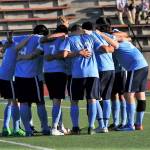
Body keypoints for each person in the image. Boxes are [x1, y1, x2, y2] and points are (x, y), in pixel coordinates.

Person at [101, 30, 148, 131]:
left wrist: (101, 34)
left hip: (135, 67)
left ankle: (130, 125)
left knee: (128, 95)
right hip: (143, 65)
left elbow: (114, 43)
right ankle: (138, 124)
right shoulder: (126, 41)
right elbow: (124, 37)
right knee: (140, 95)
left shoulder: (120, 44)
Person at [59, 24, 102, 135]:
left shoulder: (70, 39)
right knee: (92, 100)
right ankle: (91, 127)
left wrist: (77, 52)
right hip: (93, 73)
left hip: (77, 74)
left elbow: (64, 54)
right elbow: (102, 46)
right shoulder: (91, 37)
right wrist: (91, 33)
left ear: (73, 31)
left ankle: (76, 127)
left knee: (74, 101)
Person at [14, 25, 50, 136]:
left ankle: (28, 130)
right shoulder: (40, 38)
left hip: (19, 76)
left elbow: (5, 42)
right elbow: (47, 39)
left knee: (24, 103)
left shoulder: (21, 37)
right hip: (33, 76)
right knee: (40, 103)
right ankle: (45, 128)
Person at [37, 25, 69, 136]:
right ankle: (54, 128)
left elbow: (42, 45)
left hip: (48, 73)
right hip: (59, 72)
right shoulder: (63, 39)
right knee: (57, 101)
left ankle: (60, 126)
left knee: (57, 101)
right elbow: (63, 54)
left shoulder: (46, 41)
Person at [0, 32, 32, 136]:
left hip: (5, 75)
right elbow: (16, 45)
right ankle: (16, 129)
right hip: (9, 76)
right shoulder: (15, 45)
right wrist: (31, 37)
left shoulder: (10, 44)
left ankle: (6, 127)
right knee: (15, 102)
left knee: (11, 102)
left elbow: (6, 45)